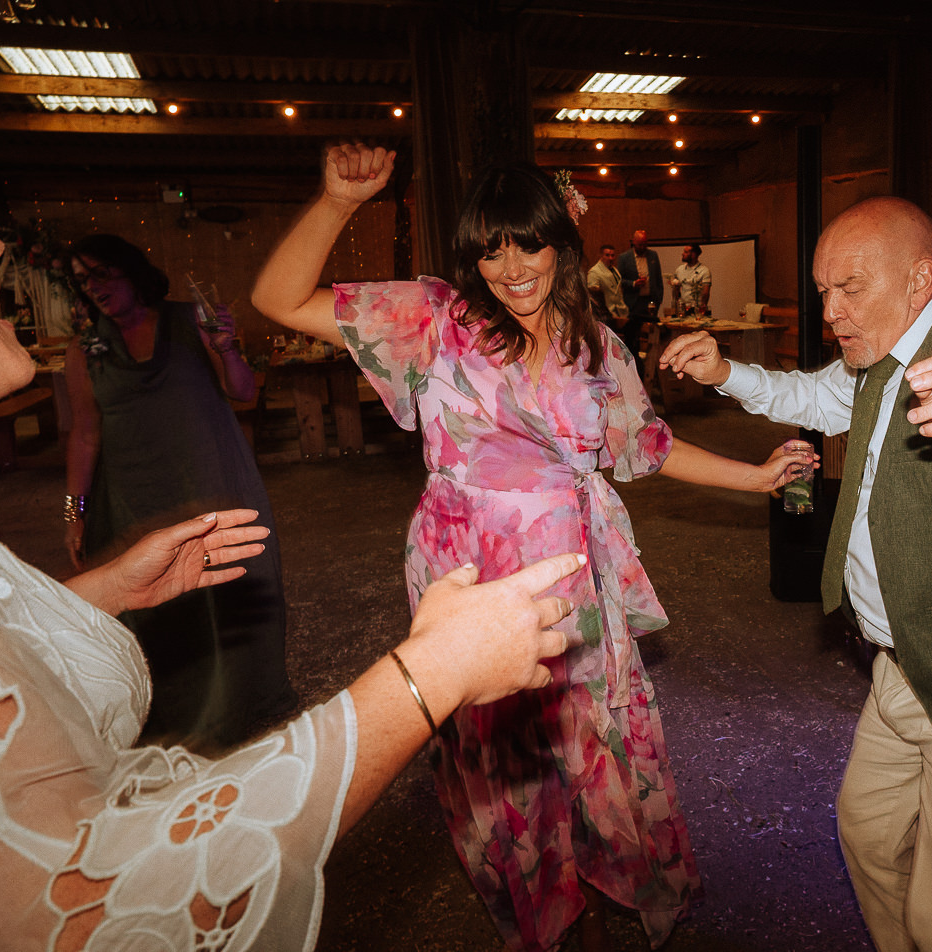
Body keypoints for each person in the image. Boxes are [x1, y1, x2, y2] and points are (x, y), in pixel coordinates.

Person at [0, 203, 581, 951]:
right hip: (136, 490)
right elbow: (90, 910)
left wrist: (102, 595)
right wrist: (431, 673)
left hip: (210, 488)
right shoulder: (88, 350)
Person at [251, 143, 817, 952]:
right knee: (499, 765)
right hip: (469, 577)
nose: (511, 266)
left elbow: (648, 447)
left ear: (563, 242)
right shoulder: (434, 322)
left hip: (574, 582)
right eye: (491, 247)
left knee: (587, 748)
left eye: (528, 242)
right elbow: (275, 298)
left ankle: (589, 904)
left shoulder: (600, 351)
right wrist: (340, 201)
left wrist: (757, 480)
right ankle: (545, 924)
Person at [661, 196, 932, 952]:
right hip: (903, 663)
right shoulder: (879, 348)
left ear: (921, 277)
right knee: (867, 837)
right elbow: (815, 396)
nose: (831, 309)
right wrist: (730, 372)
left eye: (849, 288)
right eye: (824, 289)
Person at [61, 233, 296, 752]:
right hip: (130, 500)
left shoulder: (192, 320)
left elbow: (243, 391)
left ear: (130, 270)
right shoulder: (87, 350)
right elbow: (84, 433)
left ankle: (242, 705)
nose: (93, 288)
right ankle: (165, 716)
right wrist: (74, 511)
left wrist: (228, 349)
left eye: (101, 273)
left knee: (228, 589)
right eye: (82, 282)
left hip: (208, 482)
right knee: (153, 606)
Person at [615, 228, 662, 374]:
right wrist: (634, 284)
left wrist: (658, 299)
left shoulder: (653, 255)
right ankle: (634, 370)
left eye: (644, 244)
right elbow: (619, 280)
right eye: (639, 244)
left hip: (650, 304)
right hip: (632, 304)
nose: (642, 247)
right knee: (633, 340)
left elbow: (658, 279)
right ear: (633, 242)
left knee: (653, 337)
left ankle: (652, 369)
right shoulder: (624, 258)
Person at [587, 242, 629, 323]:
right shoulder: (594, 272)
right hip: (607, 315)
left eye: (612, 255)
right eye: (607, 255)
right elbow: (594, 298)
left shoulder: (614, 270)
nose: (610, 258)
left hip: (621, 312)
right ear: (601, 256)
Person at [668, 244, 712, 317]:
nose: (682, 254)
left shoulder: (704, 271)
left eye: (686, 252)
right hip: (682, 309)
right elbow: (676, 292)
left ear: (693, 254)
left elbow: (705, 293)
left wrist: (702, 309)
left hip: (696, 309)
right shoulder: (679, 270)